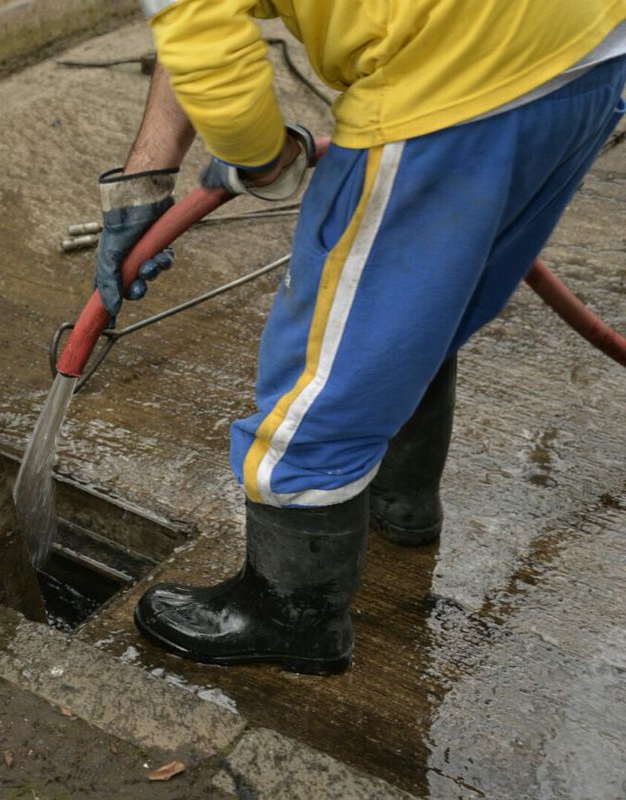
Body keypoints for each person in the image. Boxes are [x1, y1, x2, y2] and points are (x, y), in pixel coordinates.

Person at [92, 0, 626, 674]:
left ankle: (293, 613)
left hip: (450, 76)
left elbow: (202, 38)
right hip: (587, 46)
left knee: (324, 366)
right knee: (420, 306)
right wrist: (146, 175)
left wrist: (262, 159)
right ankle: (400, 505)